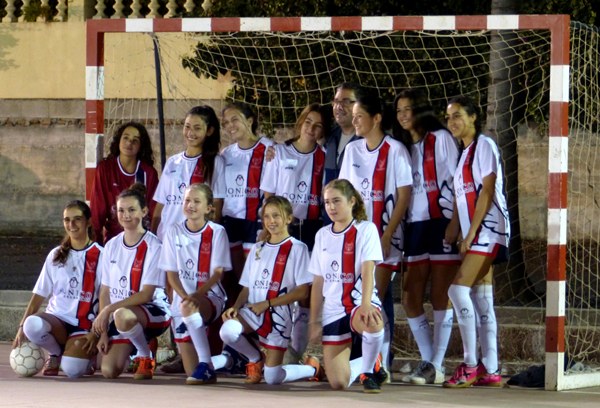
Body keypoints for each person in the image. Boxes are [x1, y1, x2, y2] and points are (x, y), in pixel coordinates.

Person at [338, 93, 412, 373]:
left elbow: (404, 196)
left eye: (359, 116)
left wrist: (387, 234)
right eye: (353, 116)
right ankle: (368, 361)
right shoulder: (352, 150)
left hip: (384, 238)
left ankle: (378, 364)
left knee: (374, 297)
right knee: (361, 297)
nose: (354, 121)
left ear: (377, 118)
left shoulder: (395, 150)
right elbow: (343, 194)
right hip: (355, 238)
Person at [393, 89, 461, 384]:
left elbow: (459, 181)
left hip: (441, 220)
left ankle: (435, 363)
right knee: (410, 296)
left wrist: (456, 221)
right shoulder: (402, 147)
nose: (403, 115)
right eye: (399, 110)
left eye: (407, 109)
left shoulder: (441, 138)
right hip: (415, 226)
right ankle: (431, 362)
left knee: (440, 294)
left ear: (420, 110)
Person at [443, 95, 510, 388]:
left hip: (488, 229)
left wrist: (471, 233)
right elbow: (463, 198)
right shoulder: (464, 153)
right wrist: (457, 226)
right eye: (448, 117)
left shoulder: (484, 145)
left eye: (457, 115)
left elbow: (487, 190)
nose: (452, 122)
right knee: (482, 299)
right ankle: (491, 369)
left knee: (457, 290)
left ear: (473, 117)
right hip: (475, 230)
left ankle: (470, 364)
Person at [220, 196, 319, 385]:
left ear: (289, 219)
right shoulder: (258, 248)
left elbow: (302, 292)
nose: (271, 221)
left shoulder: (298, 249)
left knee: (273, 378)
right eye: (266, 216)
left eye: (276, 216)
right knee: (227, 331)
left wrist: (267, 303)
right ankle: (256, 358)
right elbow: (247, 287)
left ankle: (312, 368)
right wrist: (236, 306)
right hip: (253, 311)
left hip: (279, 318)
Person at [260, 103, 330, 358]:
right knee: (279, 288)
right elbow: (268, 196)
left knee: (305, 293)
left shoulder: (325, 156)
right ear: (301, 122)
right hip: (283, 229)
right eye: (308, 122)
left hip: (311, 228)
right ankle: (273, 348)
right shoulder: (278, 152)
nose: (312, 128)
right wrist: (267, 228)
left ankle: (295, 353)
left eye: (318, 125)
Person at [308, 179, 388, 393]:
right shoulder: (322, 235)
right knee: (338, 383)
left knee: (372, 321)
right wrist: (314, 321)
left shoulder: (366, 229)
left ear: (352, 201)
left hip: (358, 302)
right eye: (327, 202)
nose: (331, 207)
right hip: (333, 310)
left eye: (336, 201)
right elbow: (318, 282)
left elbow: (368, 269)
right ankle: (372, 362)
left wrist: (366, 304)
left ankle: (368, 372)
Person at [160, 183, 241, 384]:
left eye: (197, 201)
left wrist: (196, 296)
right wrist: (185, 297)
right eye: (187, 200)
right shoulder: (173, 231)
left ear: (208, 208)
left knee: (200, 367)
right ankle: (229, 359)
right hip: (183, 301)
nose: (190, 205)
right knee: (191, 371)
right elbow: (171, 274)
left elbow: (217, 274)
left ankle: (206, 364)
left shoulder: (217, 232)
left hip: (210, 297)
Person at [13, 201, 102, 378]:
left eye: (77, 219)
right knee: (32, 324)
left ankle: (83, 355)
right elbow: (39, 294)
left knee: (73, 371)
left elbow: (106, 298)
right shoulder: (55, 255)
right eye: (67, 220)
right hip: (57, 321)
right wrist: (21, 326)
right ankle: (55, 353)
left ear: (89, 222)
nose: (71, 224)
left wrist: (96, 332)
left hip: (84, 325)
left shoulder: (101, 255)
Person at [93, 183, 171, 380]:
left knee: (122, 315)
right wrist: (104, 333)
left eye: (131, 210)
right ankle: (138, 343)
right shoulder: (111, 245)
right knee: (108, 370)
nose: (125, 215)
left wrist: (108, 310)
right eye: (121, 210)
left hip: (154, 311)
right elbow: (105, 291)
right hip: (122, 315)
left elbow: (146, 294)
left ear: (144, 211)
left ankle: (145, 355)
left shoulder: (154, 246)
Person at [221, 102, 273, 298]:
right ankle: (239, 313)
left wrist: (267, 225)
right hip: (231, 222)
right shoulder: (226, 154)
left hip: (255, 221)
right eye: (226, 122)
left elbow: (273, 190)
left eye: (234, 120)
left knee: (253, 276)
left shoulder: (269, 148)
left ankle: (256, 313)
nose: (230, 126)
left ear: (250, 121)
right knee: (237, 279)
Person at [151, 106, 226, 242]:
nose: (190, 132)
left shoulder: (215, 162)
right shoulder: (172, 161)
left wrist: (208, 238)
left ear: (209, 131)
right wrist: (153, 236)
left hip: (194, 240)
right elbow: (161, 203)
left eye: (197, 128)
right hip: (166, 238)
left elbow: (216, 204)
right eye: (187, 127)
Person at [90, 122, 159, 245]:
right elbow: (97, 212)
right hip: (113, 239)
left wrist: (153, 241)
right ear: (118, 141)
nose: (129, 142)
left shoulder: (148, 173)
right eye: (126, 137)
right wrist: (95, 247)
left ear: (141, 146)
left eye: (135, 140)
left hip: (141, 239)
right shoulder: (105, 169)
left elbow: (154, 212)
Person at [324, 82, 363, 186]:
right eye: (336, 101)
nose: (339, 107)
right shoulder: (327, 137)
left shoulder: (368, 140)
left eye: (346, 102)